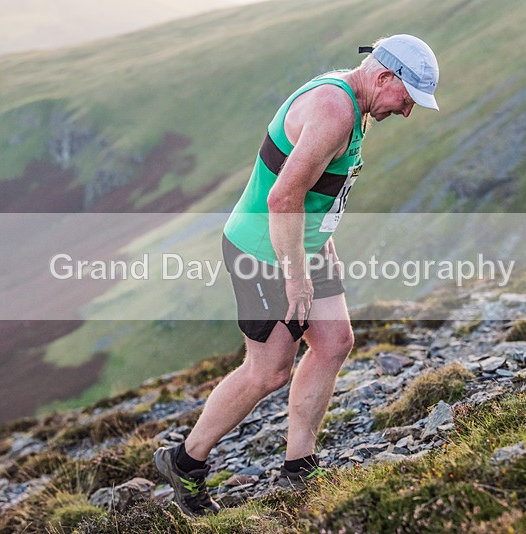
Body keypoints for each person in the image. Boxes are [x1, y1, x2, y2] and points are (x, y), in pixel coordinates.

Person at [154, 33, 440, 516]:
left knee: (333, 341)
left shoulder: (355, 103)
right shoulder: (335, 111)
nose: (408, 111)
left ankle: (298, 468)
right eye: (408, 98)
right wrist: (296, 276)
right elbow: (282, 198)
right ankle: (185, 461)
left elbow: (313, 197)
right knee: (267, 372)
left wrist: (320, 248)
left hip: (301, 247)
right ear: (385, 76)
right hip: (264, 252)